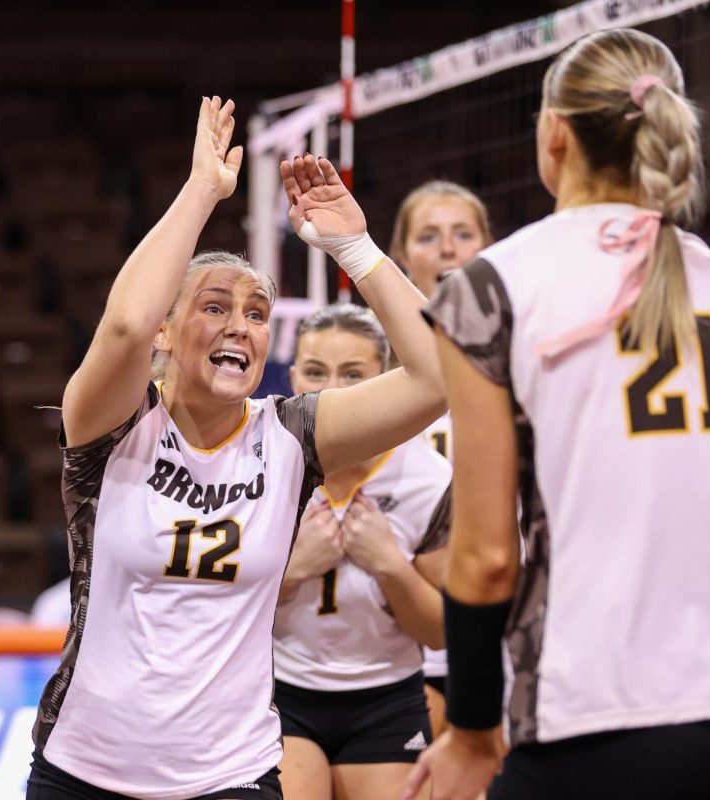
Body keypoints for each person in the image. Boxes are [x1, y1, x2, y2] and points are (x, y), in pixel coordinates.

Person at [407, 29, 710, 800]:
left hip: (597, 715)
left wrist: (473, 733)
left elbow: (484, 556)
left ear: (554, 135)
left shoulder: (494, 287)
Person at [27, 97, 445, 800]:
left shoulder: (288, 433)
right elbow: (127, 326)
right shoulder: (111, 431)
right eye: (215, 307)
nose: (240, 327)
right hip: (85, 770)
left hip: (232, 775)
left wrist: (355, 248)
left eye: (255, 313)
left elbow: (437, 378)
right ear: (169, 332)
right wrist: (202, 192)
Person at [274, 303, 450, 800]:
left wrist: (390, 565)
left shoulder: (429, 480)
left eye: (354, 374)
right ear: (291, 376)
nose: (332, 390)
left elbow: (439, 633)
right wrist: (292, 570)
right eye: (315, 372)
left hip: (388, 699)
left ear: (389, 379)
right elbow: (210, 611)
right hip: (279, 693)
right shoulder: (260, 465)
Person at [389, 180, 494, 735]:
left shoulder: (524, 351)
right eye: (429, 237)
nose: (448, 249)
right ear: (402, 255)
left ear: (486, 245)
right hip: (406, 639)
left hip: (506, 629)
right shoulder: (373, 357)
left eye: (462, 234)